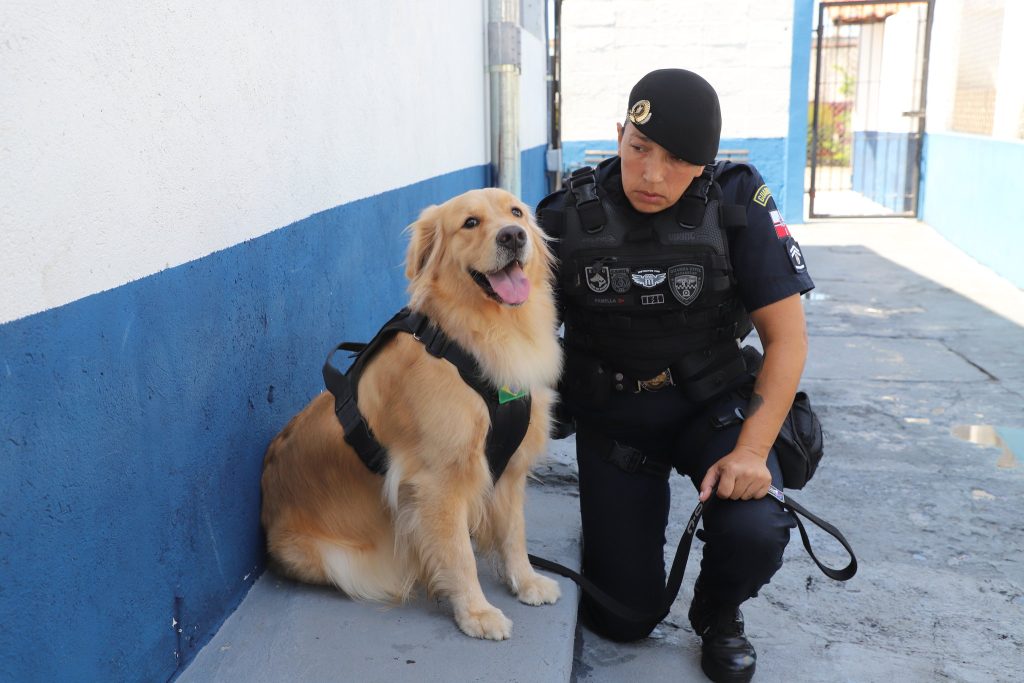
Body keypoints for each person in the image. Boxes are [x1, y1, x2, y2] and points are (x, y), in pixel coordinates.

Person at [536, 68, 814, 683]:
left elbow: (787, 340)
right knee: (624, 618)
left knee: (757, 525)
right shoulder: (565, 215)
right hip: (614, 422)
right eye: (639, 151)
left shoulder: (738, 201)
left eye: (679, 160)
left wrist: (751, 451)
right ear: (619, 135)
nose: (653, 175)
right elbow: (517, 337)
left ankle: (719, 612)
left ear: (707, 165)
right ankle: (616, 534)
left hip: (708, 409)